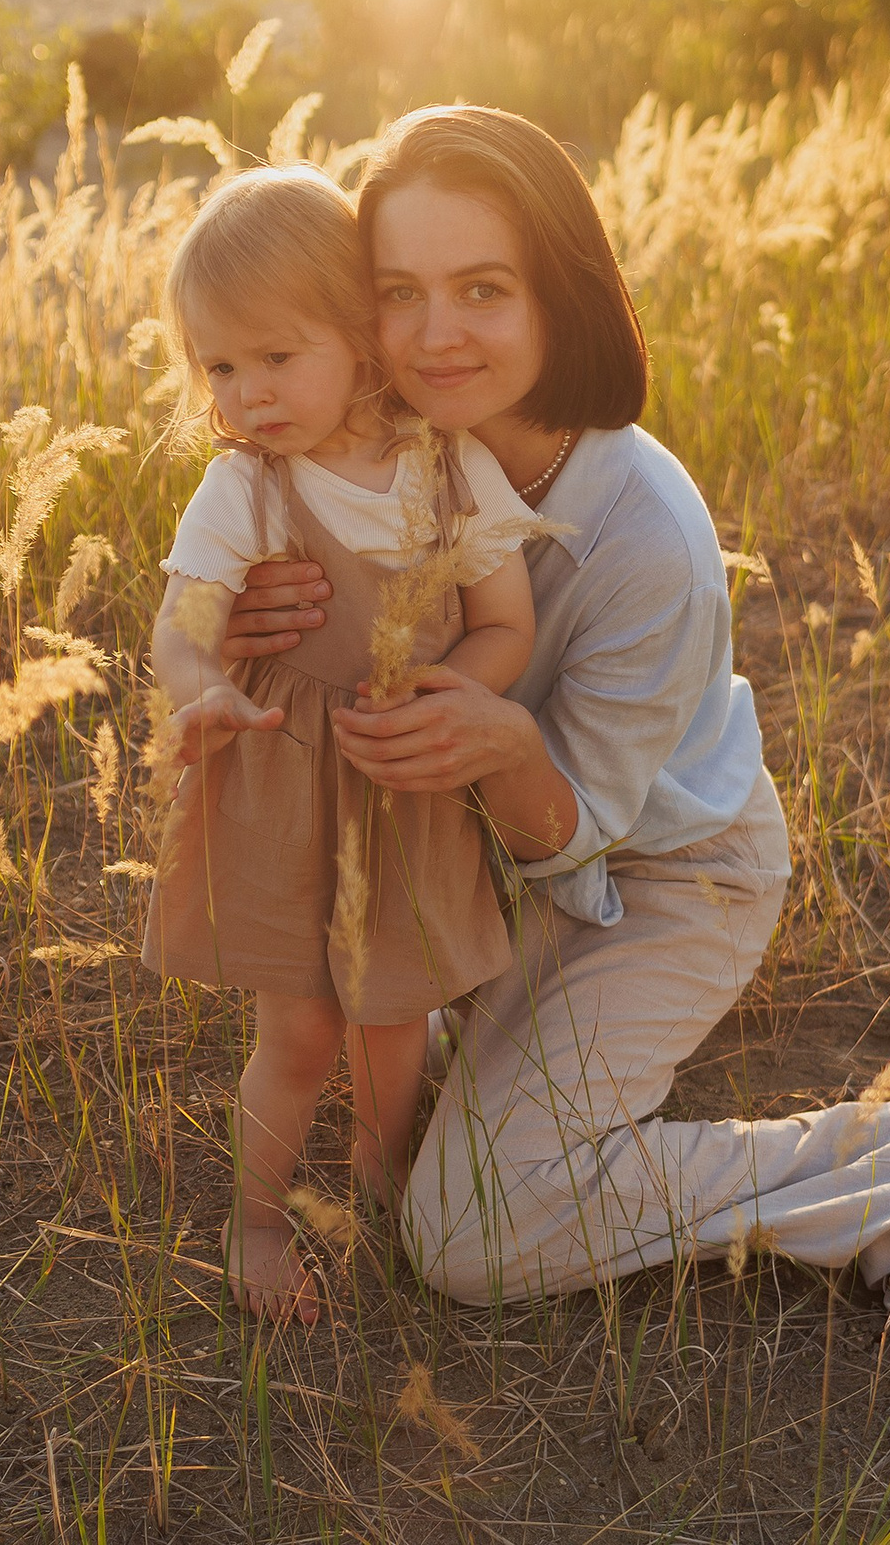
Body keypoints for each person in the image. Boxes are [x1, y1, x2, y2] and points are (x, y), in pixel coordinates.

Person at [216, 108, 890, 1327]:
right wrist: (258, 622)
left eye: (483, 289)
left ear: (558, 295)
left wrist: (508, 747)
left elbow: (577, 830)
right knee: (394, 1060)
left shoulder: (648, 537)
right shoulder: (366, 450)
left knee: (471, 1232)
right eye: (397, 292)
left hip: (653, 870)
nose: (435, 336)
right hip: (469, 859)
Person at [142, 166, 545, 1324]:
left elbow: (504, 625)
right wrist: (204, 690)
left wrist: (448, 700)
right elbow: (181, 628)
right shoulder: (246, 488)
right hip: (281, 780)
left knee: (390, 1008)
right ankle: (257, 1223)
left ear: (362, 342)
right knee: (302, 1020)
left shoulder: (448, 466)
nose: (248, 392)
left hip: (401, 773)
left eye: (277, 356)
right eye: (220, 365)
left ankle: (379, 1175)